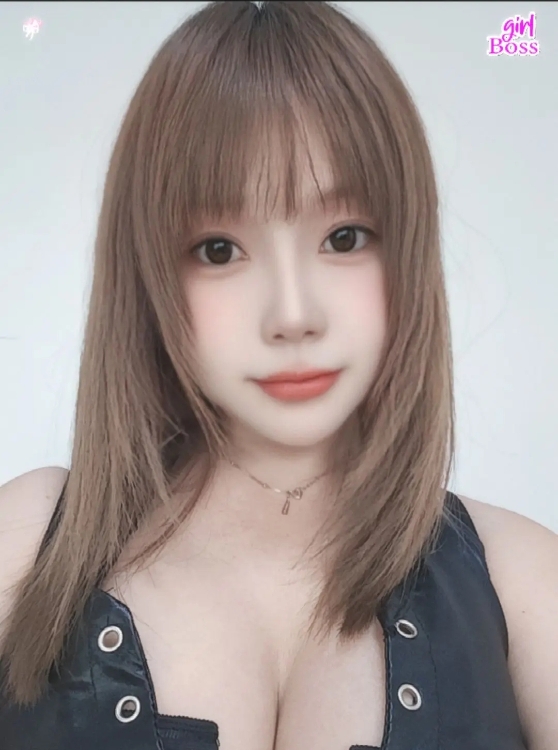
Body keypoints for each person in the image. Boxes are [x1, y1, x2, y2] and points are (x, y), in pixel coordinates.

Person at [0, 2, 556, 749]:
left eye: (344, 237)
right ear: (149, 275)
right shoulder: (27, 544)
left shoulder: (524, 583)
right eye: (220, 250)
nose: (292, 316)